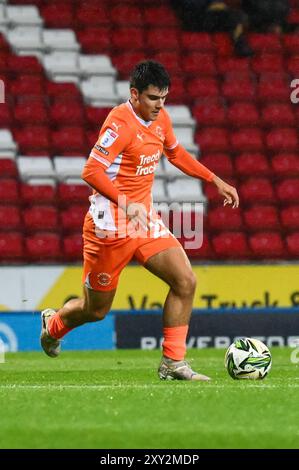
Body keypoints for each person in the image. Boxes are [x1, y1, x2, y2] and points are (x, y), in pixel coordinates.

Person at [40, 60, 239, 381]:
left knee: (185, 281)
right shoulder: (120, 124)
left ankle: (173, 363)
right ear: (134, 95)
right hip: (109, 227)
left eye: (163, 98)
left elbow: (175, 153)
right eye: (152, 98)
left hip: (143, 221)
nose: (159, 106)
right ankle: (54, 326)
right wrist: (125, 202)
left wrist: (214, 179)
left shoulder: (161, 120)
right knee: (96, 310)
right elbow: (90, 171)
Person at [172, 0, 253, 57]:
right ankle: (239, 43)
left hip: (209, 15)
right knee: (233, 17)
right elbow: (189, 5)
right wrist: (209, 5)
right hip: (193, 19)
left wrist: (216, 4)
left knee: (237, 16)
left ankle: (240, 44)